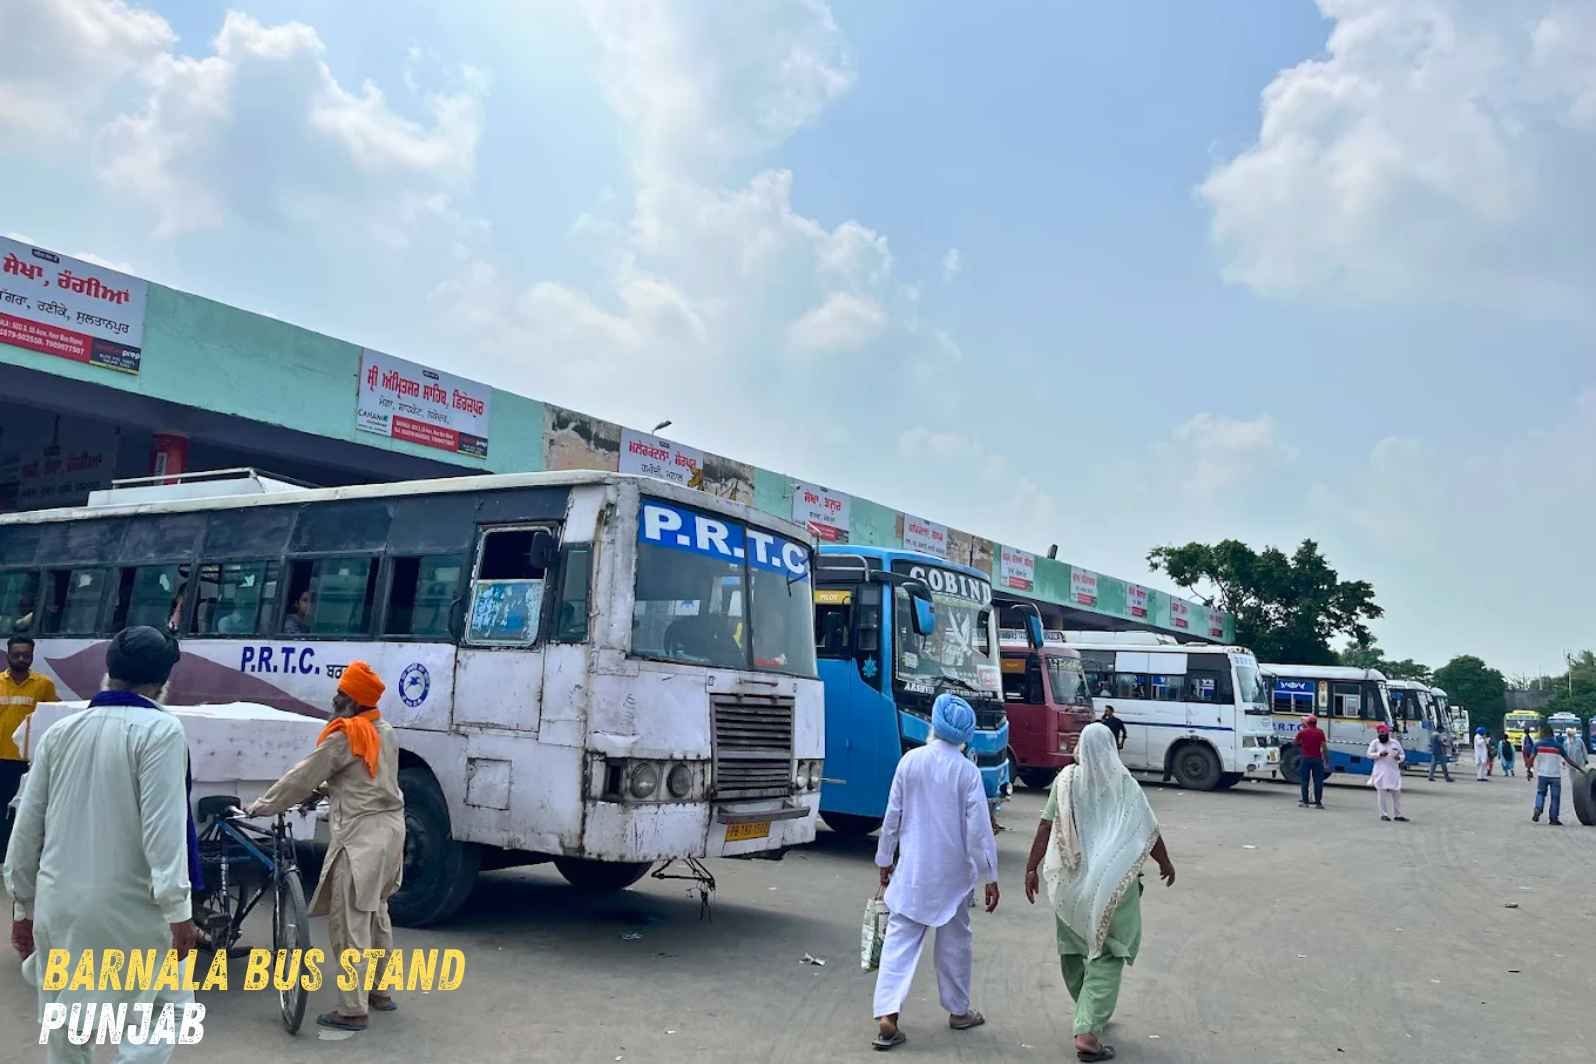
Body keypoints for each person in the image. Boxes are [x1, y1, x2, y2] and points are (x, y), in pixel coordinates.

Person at [3, 626, 201, 1064]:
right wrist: (180, 914)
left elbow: (25, 829)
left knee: (68, 1025)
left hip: (60, 908)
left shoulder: (60, 733)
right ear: (163, 682)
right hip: (131, 909)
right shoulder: (162, 731)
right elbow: (164, 833)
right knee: (157, 1017)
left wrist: (22, 908)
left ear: (108, 671)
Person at [246, 660, 405, 1031]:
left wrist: (261, 806)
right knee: (377, 912)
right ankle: (380, 990)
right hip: (392, 832)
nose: (336, 700)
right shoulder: (384, 731)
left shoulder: (345, 737)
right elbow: (362, 777)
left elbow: (301, 777)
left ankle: (353, 1008)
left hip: (361, 836)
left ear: (351, 700)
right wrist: (323, 791)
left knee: (349, 920)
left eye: (341, 694)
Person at [1023, 723, 1176, 1062]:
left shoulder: (1065, 782)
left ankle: (1088, 1011)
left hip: (1069, 883)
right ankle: (1088, 1032)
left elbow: (1046, 825)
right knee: (1108, 953)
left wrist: (1031, 867)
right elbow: (1148, 831)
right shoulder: (1125, 785)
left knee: (1073, 949)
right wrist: (1165, 863)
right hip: (1112, 886)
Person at [870, 693, 999, 1051]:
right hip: (954, 878)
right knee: (955, 944)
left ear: (934, 723)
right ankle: (959, 1012)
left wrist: (884, 861)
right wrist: (990, 876)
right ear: (965, 733)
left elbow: (892, 816)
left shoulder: (910, 761)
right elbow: (978, 833)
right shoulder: (967, 772)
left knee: (900, 943)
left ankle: (888, 1015)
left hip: (912, 872)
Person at [0, 635, 57, 852]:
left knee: (22, 809)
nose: (22, 658)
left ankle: (14, 852)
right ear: (8, 655)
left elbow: (52, 718)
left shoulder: (44, 685)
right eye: (17, 655)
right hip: (0, 757)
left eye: (27, 655)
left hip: (26, 760)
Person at [1528, 723, 1578, 825]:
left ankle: (1538, 808)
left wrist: (1529, 770)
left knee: (1541, 793)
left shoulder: (1538, 745)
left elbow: (1531, 759)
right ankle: (1553, 818)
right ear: (1552, 734)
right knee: (1555, 797)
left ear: (1543, 734)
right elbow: (1568, 760)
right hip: (1555, 776)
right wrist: (1580, 769)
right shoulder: (1558, 746)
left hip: (1542, 774)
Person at [1367, 724, 1407, 821]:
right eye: (1380, 733)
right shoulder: (1375, 743)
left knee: (1397, 794)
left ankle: (1398, 815)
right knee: (1381, 794)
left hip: (1393, 771)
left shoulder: (1395, 743)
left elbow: (1402, 755)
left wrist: (1399, 758)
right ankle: (1383, 814)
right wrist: (1379, 754)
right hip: (1380, 772)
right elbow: (1368, 754)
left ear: (1388, 733)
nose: (1382, 735)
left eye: (1384, 733)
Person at [1295, 714, 1328, 808]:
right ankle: (1318, 803)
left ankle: (1305, 802)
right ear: (1316, 723)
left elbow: (1295, 742)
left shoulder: (1303, 732)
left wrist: (1303, 743)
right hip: (1317, 759)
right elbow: (1324, 747)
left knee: (1304, 780)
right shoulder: (1320, 732)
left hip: (1305, 758)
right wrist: (1326, 760)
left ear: (1308, 723)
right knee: (1318, 781)